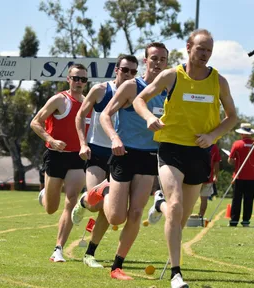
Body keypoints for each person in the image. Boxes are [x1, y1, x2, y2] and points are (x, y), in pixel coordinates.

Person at [133, 29, 238, 287]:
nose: (205, 54)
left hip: (200, 152)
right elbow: (139, 99)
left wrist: (213, 136)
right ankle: (176, 273)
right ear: (189, 47)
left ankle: (159, 204)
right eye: (201, 48)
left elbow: (232, 117)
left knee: (180, 218)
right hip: (170, 148)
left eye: (209, 51)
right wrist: (149, 118)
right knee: (177, 205)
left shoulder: (219, 81)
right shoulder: (172, 76)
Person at [87, 42, 169, 280]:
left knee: (135, 213)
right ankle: (102, 192)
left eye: (162, 59)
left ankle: (117, 266)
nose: (157, 62)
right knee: (116, 217)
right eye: (153, 58)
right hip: (124, 153)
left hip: (150, 156)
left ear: (166, 62)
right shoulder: (133, 87)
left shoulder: (169, 90)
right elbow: (105, 115)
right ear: (146, 60)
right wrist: (114, 138)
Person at [72, 54, 139, 268]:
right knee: (97, 203)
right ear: (116, 70)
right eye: (125, 70)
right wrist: (83, 143)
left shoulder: (137, 93)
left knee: (108, 208)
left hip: (122, 153)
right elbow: (80, 116)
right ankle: (84, 201)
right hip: (98, 152)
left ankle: (90, 253)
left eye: (133, 72)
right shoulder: (101, 90)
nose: (129, 75)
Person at [30, 63, 91, 262]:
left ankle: (58, 248)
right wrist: (51, 140)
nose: (79, 82)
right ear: (68, 79)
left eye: (83, 79)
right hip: (56, 155)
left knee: (72, 198)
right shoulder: (59, 100)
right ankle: (45, 195)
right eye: (76, 78)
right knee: (51, 208)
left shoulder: (90, 103)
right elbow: (35, 122)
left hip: (77, 157)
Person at [228, 123, 254, 227]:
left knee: (236, 199)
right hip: (252, 177)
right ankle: (246, 220)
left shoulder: (237, 144)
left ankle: (234, 220)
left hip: (239, 176)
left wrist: (237, 161)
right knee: (249, 199)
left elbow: (230, 160)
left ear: (242, 134)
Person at [199, 143, 221, 218]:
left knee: (190, 198)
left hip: (195, 176)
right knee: (204, 199)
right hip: (208, 177)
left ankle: (186, 217)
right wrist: (216, 175)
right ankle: (201, 217)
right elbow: (217, 162)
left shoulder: (196, 142)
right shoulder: (214, 146)